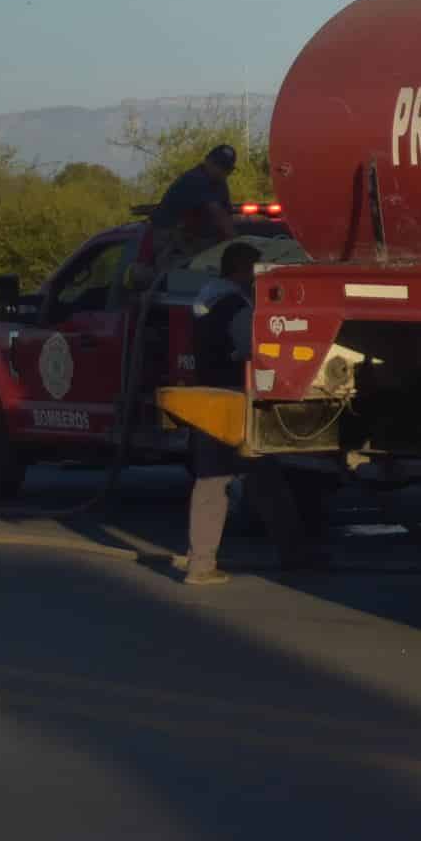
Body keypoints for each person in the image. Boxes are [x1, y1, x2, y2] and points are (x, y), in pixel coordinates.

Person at [179, 242, 326, 586]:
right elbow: (253, 349)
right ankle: (296, 555)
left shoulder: (205, 301)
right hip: (236, 400)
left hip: (208, 401)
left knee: (217, 482)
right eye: (254, 269)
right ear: (242, 269)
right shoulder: (236, 307)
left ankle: (201, 564)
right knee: (260, 477)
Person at [155, 143, 242, 258]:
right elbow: (219, 215)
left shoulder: (220, 184)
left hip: (193, 238)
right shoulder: (195, 179)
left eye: (227, 169)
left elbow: (226, 217)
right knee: (182, 269)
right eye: (218, 165)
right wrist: (240, 247)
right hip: (169, 236)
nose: (222, 171)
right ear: (208, 161)